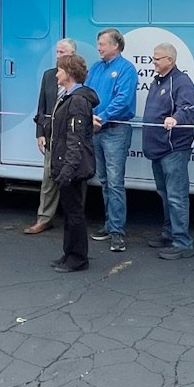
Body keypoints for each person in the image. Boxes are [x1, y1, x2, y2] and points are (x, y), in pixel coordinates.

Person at [142, 42, 194, 259]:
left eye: (157, 58)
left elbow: (187, 109)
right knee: (165, 194)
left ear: (170, 60)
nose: (153, 61)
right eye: (153, 58)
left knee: (176, 196)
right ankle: (169, 233)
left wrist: (175, 119)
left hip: (174, 148)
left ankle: (183, 243)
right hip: (157, 147)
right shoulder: (157, 81)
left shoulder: (182, 82)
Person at [87, 28, 138, 252]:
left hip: (116, 130)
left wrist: (102, 117)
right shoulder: (96, 68)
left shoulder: (126, 69)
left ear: (115, 46)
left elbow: (123, 100)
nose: (98, 47)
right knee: (105, 181)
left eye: (102, 44)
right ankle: (109, 225)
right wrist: (90, 117)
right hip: (96, 129)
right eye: (98, 44)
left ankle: (118, 232)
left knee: (116, 182)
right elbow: (86, 93)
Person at [50, 53, 98, 272]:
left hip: (73, 166)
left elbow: (75, 137)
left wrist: (67, 169)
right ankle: (68, 253)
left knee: (75, 212)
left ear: (68, 73)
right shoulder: (70, 96)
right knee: (69, 211)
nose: (56, 73)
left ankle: (78, 258)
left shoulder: (77, 100)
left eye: (59, 70)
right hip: (67, 163)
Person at [26, 38, 77, 235]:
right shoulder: (49, 75)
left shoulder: (82, 77)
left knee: (74, 180)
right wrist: (40, 133)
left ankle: (73, 219)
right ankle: (44, 219)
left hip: (71, 138)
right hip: (51, 137)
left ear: (72, 55)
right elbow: (41, 107)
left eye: (62, 52)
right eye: (57, 52)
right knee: (48, 179)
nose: (58, 56)